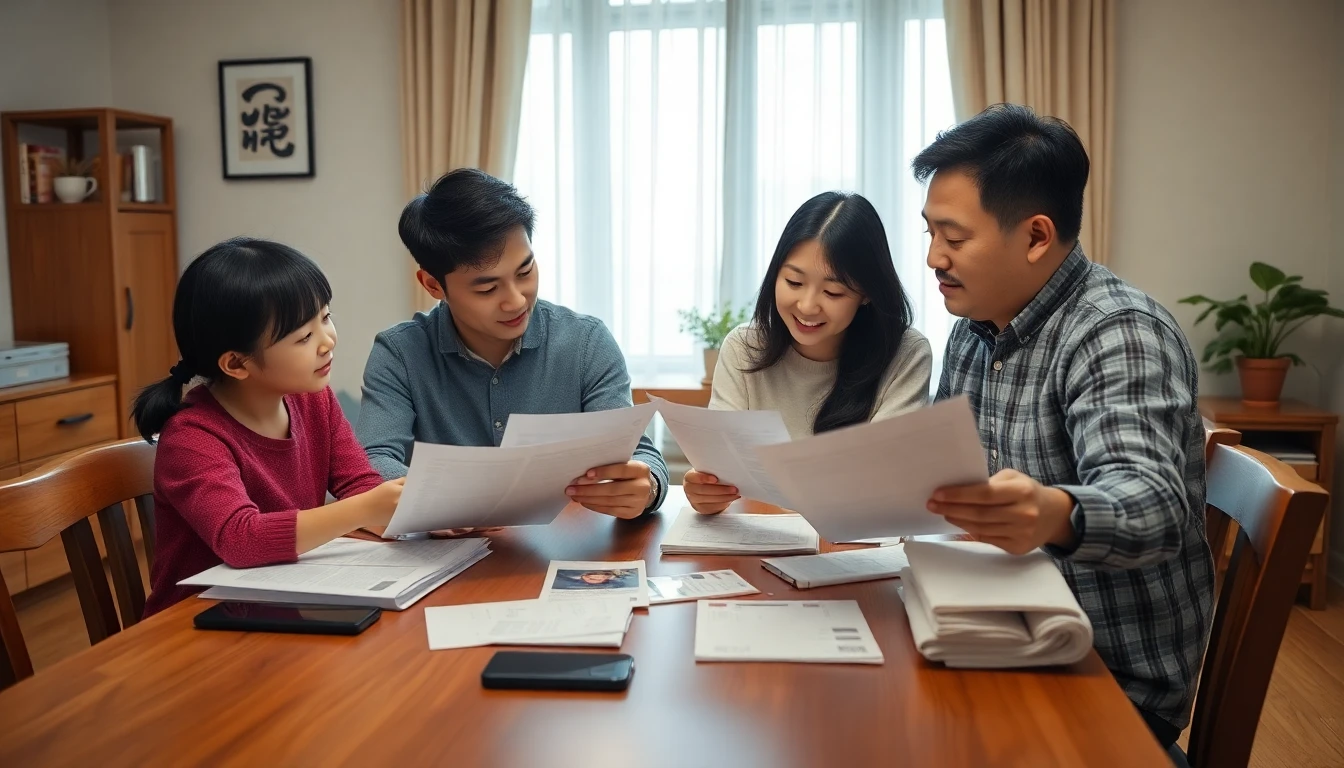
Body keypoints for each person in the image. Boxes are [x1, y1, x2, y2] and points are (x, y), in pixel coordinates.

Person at [914, 104, 1213, 757]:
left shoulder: (1117, 331)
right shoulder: (974, 323)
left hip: (1104, 675)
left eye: (953, 237)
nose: (933, 257)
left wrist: (1054, 511)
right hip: (999, 621)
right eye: (929, 232)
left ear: (1037, 236)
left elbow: (1156, 506)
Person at [358, 168, 669, 519]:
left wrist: (647, 487)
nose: (516, 301)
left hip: (567, 549)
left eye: (525, 272)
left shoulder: (586, 343)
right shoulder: (399, 354)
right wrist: (442, 502)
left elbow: (639, 455)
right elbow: (373, 464)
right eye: (487, 288)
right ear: (432, 285)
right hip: (444, 556)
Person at [134, 238, 402, 616]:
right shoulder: (192, 438)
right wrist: (366, 509)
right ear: (237, 364)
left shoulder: (313, 400)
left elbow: (359, 484)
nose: (327, 341)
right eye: (303, 337)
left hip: (283, 604)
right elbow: (241, 540)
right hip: (199, 623)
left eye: (325, 317)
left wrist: (417, 515)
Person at [684, 191, 933, 514]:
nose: (807, 306)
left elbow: (885, 483)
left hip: (852, 549)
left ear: (867, 294)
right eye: (794, 282)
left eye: (832, 291)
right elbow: (721, 472)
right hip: (758, 541)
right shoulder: (744, 349)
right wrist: (707, 492)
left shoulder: (905, 355)